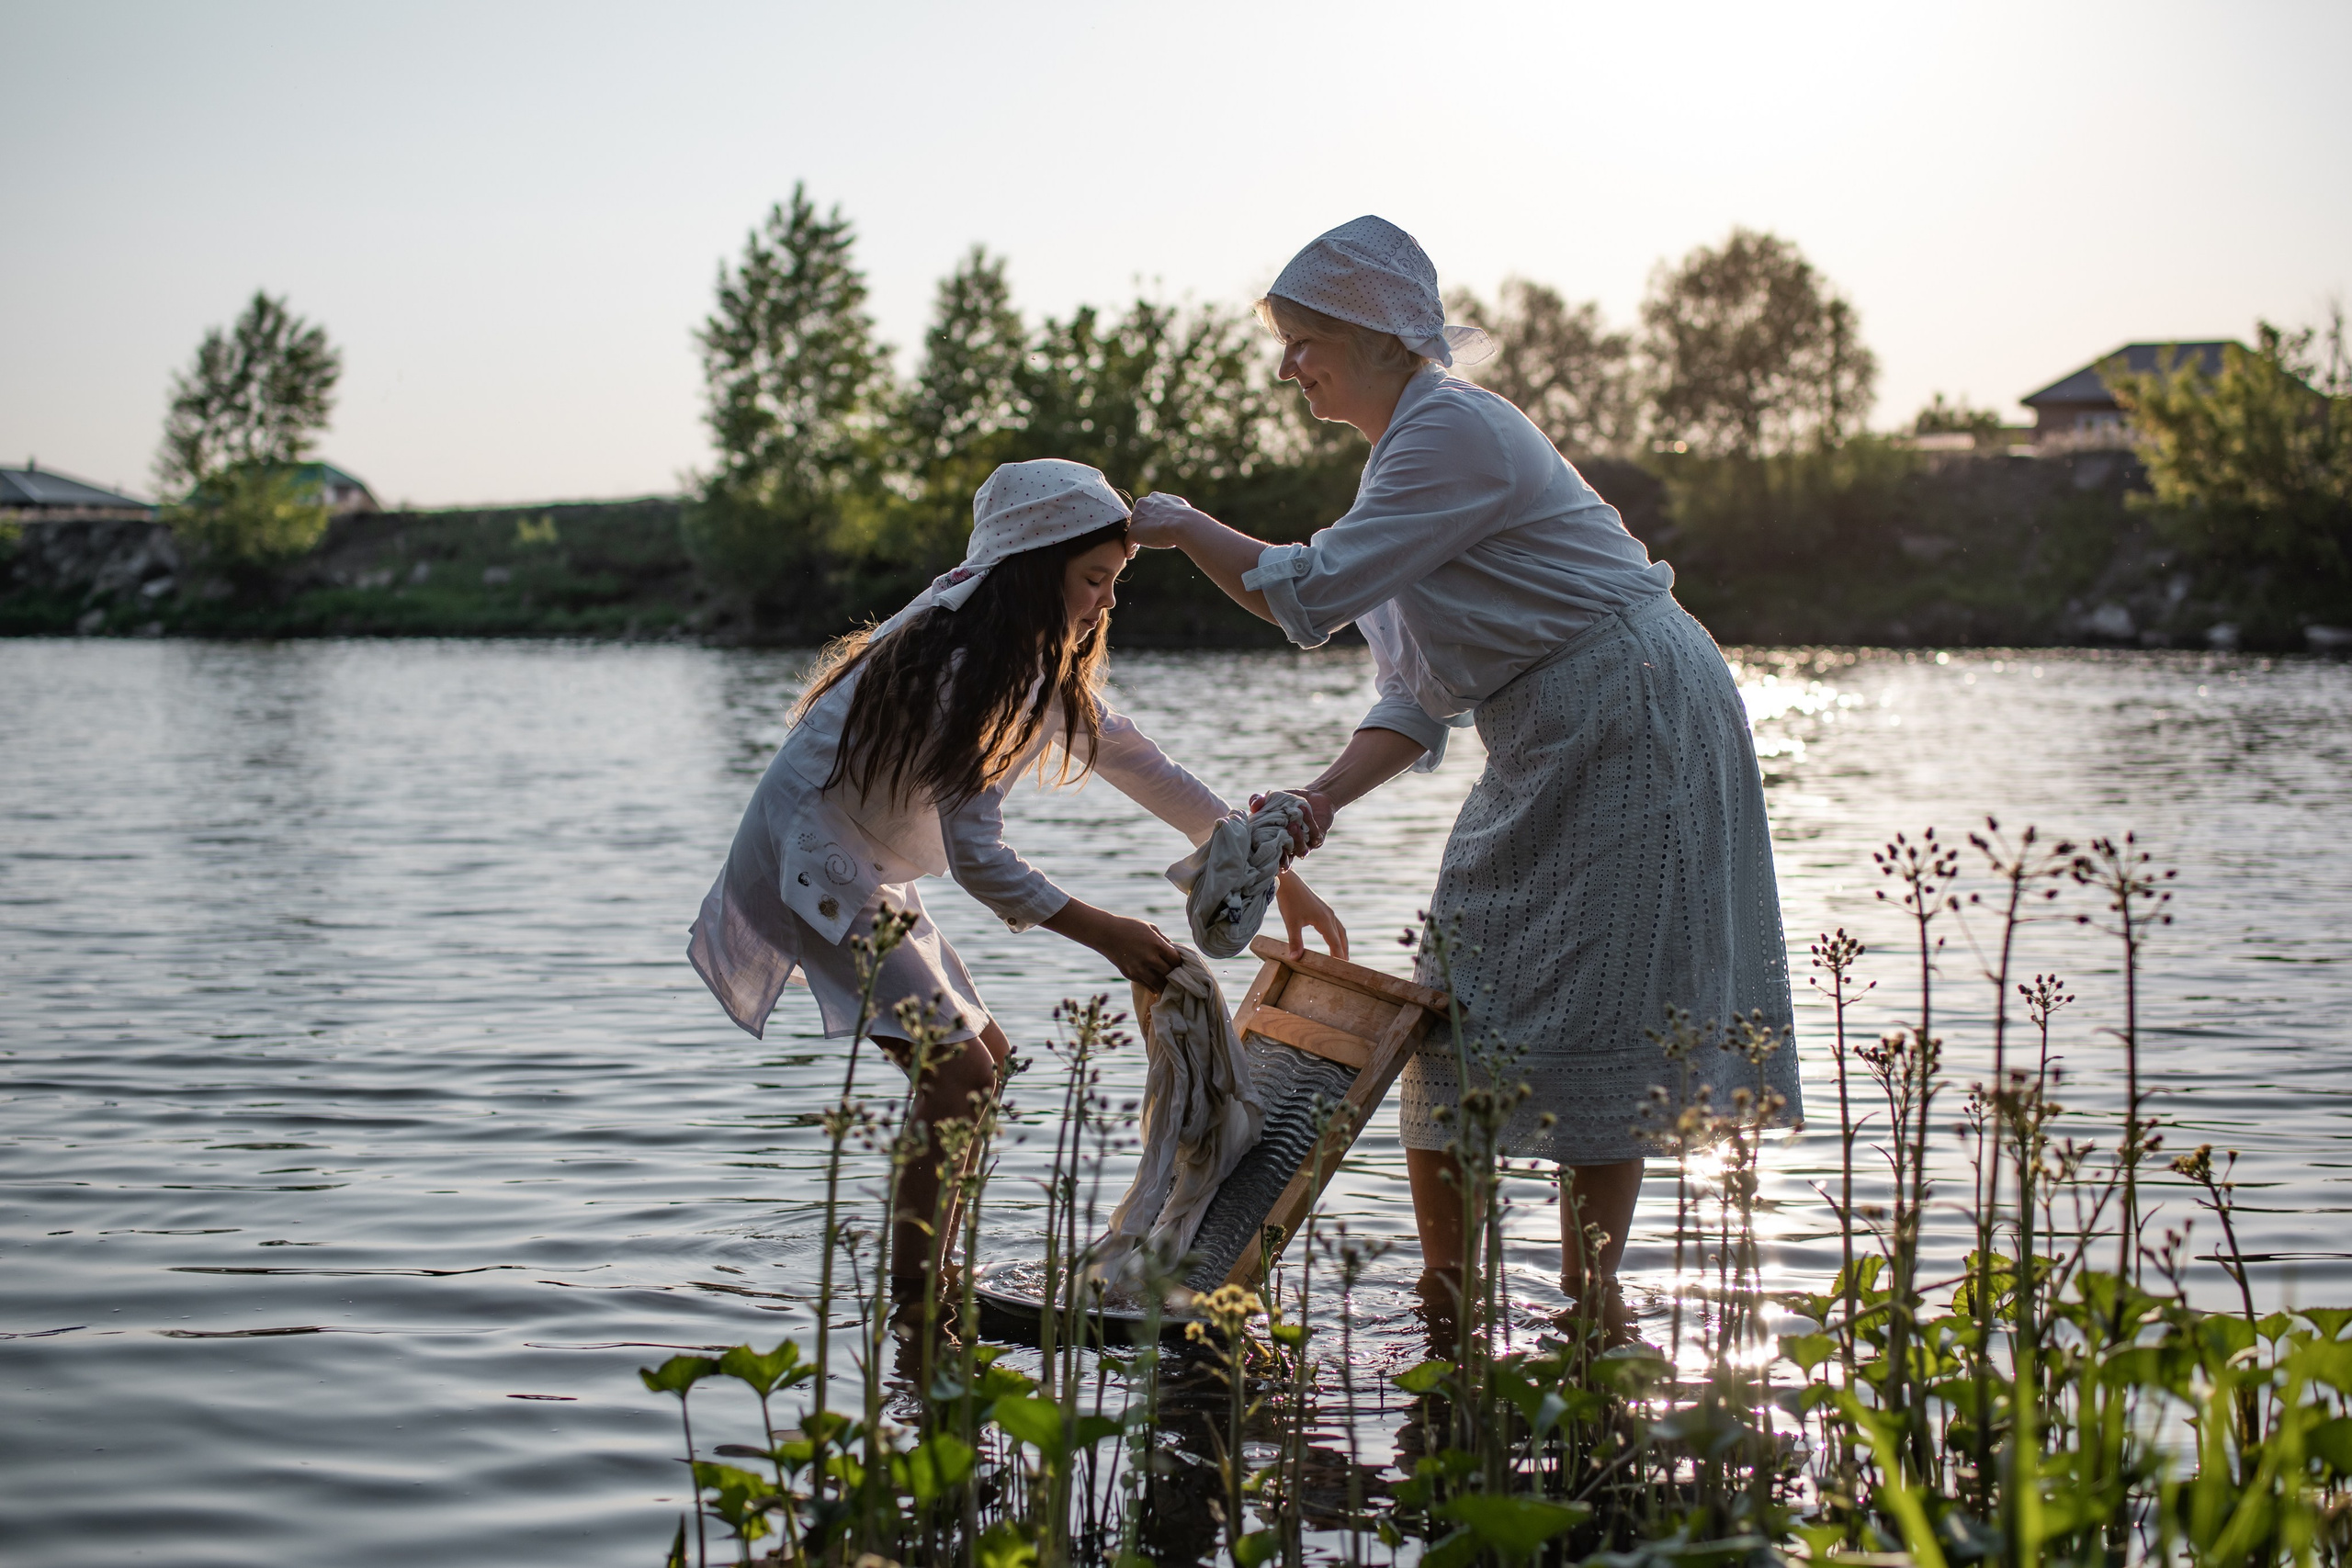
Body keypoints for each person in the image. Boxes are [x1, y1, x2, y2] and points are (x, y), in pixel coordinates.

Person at [1129, 218, 1800, 1322]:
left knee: (1603, 993)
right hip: (1557, 717)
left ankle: (1587, 1307)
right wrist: (1314, 803)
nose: (1287, 365)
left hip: (1631, 708)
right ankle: (1452, 1298)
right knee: (1462, 986)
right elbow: (1412, 697)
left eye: (1303, 340)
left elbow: (1300, 594)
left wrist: (1182, 525)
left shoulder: (1453, 432)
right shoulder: (1404, 460)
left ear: (1378, 337)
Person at [689, 458, 1343, 1293]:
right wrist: (1108, 933)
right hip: (812, 861)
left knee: (982, 1058)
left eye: (1115, 581)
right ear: (1035, 574)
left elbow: (1144, 765)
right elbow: (980, 860)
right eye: (1093, 579)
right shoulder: (969, 664)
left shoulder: (1032, 660)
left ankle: (937, 1281)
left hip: (858, 862)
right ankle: (921, 1303)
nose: (1108, 601)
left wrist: (1269, 870)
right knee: (958, 1074)